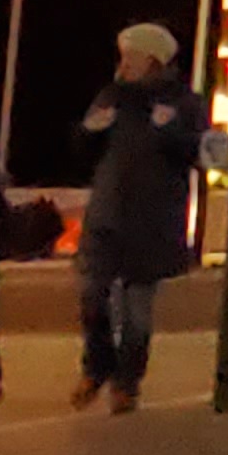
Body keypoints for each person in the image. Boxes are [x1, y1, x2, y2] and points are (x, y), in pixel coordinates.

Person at [72, 25, 203, 414]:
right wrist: (89, 131)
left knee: (136, 311)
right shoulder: (112, 96)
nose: (124, 64)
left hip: (153, 221)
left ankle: (126, 383)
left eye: (131, 57)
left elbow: (202, 152)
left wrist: (170, 131)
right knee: (91, 296)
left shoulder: (183, 103)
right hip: (107, 214)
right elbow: (82, 150)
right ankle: (96, 368)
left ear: (153, 60)